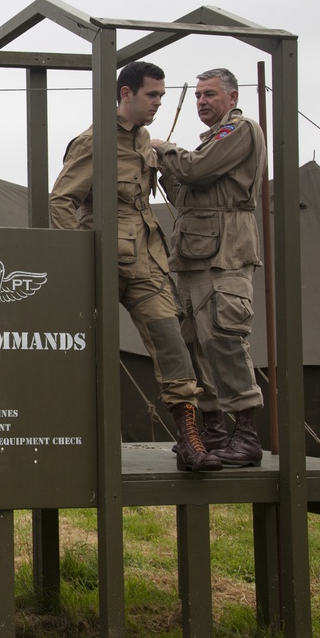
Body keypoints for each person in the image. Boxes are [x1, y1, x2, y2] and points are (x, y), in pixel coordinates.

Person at [49, 61, 220, 472]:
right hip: (101, 259)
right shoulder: (94, 141)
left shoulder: (145, 140)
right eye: (152, 95)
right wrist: (77, 260)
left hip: (147, 260)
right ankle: (63, 437)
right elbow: (61, 201)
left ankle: (189, 439)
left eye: (162, 95)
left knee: (172, 343)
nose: (158, 103)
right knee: (81, 351)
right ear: (126, 94)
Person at [152, 68, 267, 467]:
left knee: (225, 339)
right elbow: (185, 191)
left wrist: (163, 149)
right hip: (192, 256)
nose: (202, 101)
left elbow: (195, 171)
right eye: (199, 95)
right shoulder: (206, 145)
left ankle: (246, 435)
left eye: (211, 94)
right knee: (193, 344)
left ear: (232, 97)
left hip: (226, 254)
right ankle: (215, 429)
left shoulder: (238, 131)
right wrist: (165, 168)